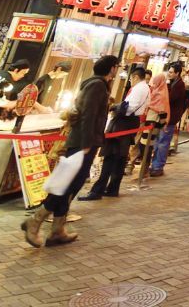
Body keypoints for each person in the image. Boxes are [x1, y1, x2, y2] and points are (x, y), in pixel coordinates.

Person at [22, 55, 119, 248]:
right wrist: (86, 143)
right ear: (112, 68)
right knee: (67, 184)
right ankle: (35, 221)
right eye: (117, 67)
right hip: (83, 143)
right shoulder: (97, 85)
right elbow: (88, 114)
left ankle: (57, 230)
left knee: (70, 185)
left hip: (84, 142)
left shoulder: (96, 84)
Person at [80, 67, 149, 200]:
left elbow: (128, 107)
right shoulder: (145, 88)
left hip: (123, 123)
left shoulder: (139, 88)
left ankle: (97, 191)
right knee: (120, 157)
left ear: (135, 77)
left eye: (131, 78)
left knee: (111, 156)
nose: (131, 81)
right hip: (130, 122)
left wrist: (114, 107)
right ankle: (112, 188)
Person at [150, 61, 189, 177]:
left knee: (163, 142)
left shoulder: (178, 85)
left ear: (177, 73)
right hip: (165, 117)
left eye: (172, 72)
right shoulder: (173, 83)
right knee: (158, 141)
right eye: (169, 71)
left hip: (170, 118)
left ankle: (158, 166)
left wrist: (164, 88)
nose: (169, 74)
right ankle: (155, 165)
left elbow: (170, 99)